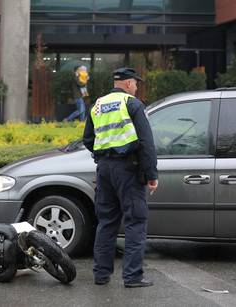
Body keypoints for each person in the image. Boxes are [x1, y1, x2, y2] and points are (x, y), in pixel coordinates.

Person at [82, 67, 158, 288]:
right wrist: (151, 174)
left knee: (106, 222)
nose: (136, 87)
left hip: (104, 169)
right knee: (135, 221)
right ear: (127, 83)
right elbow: (146, 143)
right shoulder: (132, 104)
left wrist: (104, 153)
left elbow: (88, 139)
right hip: (128, 169)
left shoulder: (97, 105)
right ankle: (133, 277)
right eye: (136, 83)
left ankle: (101, 275)